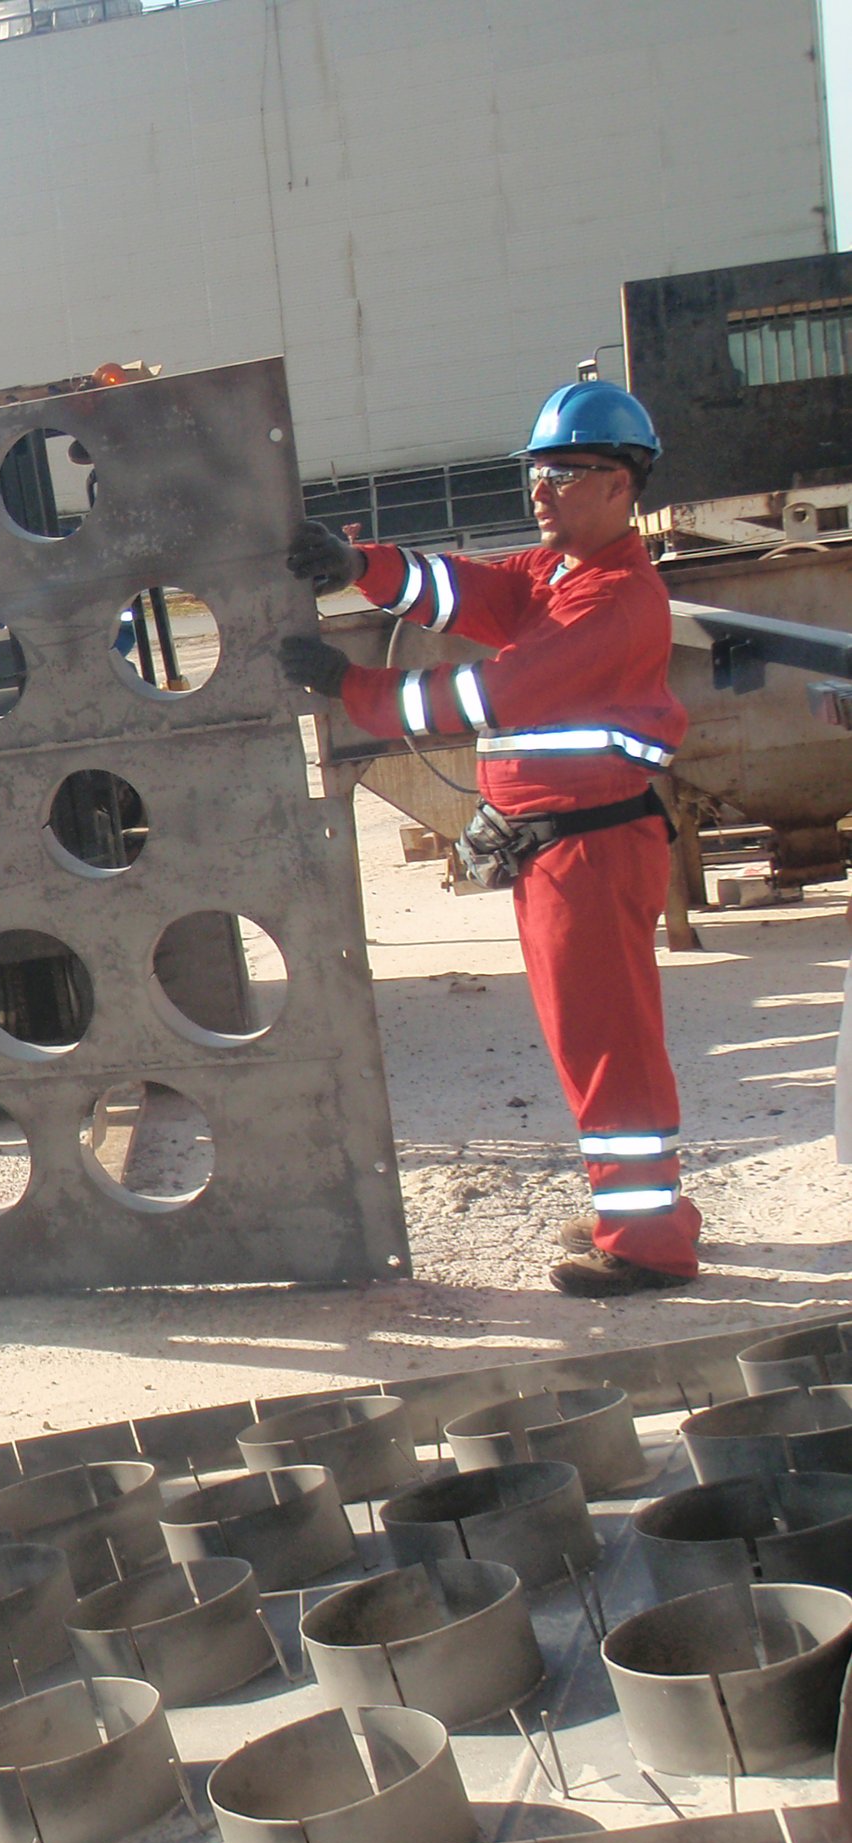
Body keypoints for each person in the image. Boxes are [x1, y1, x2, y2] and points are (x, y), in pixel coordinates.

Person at [279, 381, 699, 1298]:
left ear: (621, 483)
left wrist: (351, 690)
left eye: (564, 471)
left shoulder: (616, 598)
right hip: (559, 847)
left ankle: (652, 1244)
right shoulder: (560, 577)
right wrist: (359, 563)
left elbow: (491, 695)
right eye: (537, 471)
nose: (540, 488)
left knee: (607, 1043)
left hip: (589, 847)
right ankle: (632, 1214)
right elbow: (469, 589)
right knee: (589, 1038)